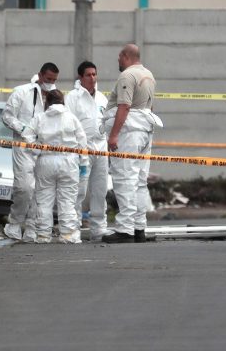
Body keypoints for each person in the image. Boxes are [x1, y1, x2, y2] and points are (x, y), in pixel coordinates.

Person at [102, 44, 161, 244]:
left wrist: (114, 135)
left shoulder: (127, 76)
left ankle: (125, 229)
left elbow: (124, 106)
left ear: (125, 56)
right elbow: (150, 107)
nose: (118, 61)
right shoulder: (149, 75)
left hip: (129, 132)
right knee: (140, 181)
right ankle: (139, 228)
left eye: (119, 57)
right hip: (145, 130)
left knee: (125, 179)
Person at [1, 62, 59, 240]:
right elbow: (7, 116)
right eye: (48, 79)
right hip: (23, 146)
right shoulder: (22, 92)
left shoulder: (56, 97)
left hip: (44, 148)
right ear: (40, 75)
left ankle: (33, 226)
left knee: (41, 190)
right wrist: (25, 130)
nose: (50, 83)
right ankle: (15, 223)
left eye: (54, 80)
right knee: (24, 187)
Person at [22, 89, 88, 244]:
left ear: (47, 102)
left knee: (44, 199)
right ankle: (67, 234)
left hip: (46, 160)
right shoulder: (71, 118)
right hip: (69, 161)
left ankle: (43, 235)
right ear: (62, 101)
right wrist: (83, 163)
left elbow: (26, 136)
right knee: (67, 200)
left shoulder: (40, 118)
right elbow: (82, 140)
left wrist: (37, 149)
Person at [65, 61, 112, 242]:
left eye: (94, 74)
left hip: (101, 148)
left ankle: (99, 230)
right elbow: (68, 124)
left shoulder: (102, 98)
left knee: (100, 190)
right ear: (80, 77)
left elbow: (107, 121)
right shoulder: (72, 98)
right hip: (81, 150)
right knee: (78, 191)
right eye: (88, 75)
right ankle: (73, 228)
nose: (92, 78)